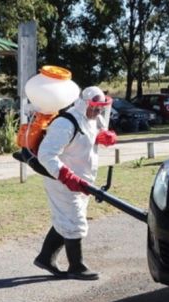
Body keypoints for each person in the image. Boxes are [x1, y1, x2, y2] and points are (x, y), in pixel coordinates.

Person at [33, 86, 117, 280]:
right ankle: (76, 266)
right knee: (75, 221)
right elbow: (46, 154)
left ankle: (45, 258)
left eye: (101, 107)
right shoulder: (65, 123)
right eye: (94, 107)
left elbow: (94, 134)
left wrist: (104, 137)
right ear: (84, 103)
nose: (98, 111)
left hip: (82, 180)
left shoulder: (94, 119)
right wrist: (66, 176)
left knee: (66, 219)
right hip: (62, 181)